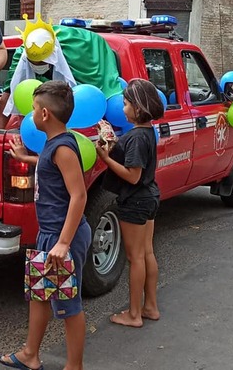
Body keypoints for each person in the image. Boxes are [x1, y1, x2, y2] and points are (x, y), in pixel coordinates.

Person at [1, 81, 92, 370]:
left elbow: (79, 195)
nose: (32, 113)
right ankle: (30, 353)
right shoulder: (55, 146)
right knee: (39, 295)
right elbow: (50, 164)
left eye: (34, 108)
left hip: (63, 237)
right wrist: (25, 158)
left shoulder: (63, 147)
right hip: (49, 234)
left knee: (68, 306)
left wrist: (63, 243)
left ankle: (74, 365)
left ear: (44, 115)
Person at [95, 78, 165, 328]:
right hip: (149, 196)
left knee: (135, 258)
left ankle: (134, 314)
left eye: (125, 104)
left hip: (135, 200)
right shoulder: (146, 132)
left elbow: (132, 175)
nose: (122, 108)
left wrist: (105, 157)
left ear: (137, 107)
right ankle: (150, 307)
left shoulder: (135, 137)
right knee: (146, 253)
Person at [0, 16, 122, 129]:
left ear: (53, 57)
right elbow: (9, 92)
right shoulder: (22, 55)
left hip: (88, 51)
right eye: (34, 63)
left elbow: (88, 92)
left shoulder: (76, 50)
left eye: (42, 63)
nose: (38, 67)